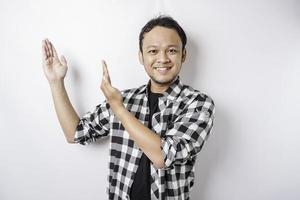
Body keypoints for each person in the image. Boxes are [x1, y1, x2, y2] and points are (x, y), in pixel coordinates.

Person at [42, 15, 215, 200]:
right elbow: (75, 133)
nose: (162, 59)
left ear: (184, 55)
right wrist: (56, 82)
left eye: (171, 50)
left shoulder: (198, 104)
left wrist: (119, 109)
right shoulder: (123, 98)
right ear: (141, 56)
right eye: (153, 51)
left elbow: (163, 157)